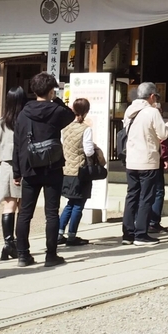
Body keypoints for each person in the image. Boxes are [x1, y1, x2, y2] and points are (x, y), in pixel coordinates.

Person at [12, 72, 74, 268]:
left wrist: (16, 172)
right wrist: (56, 100)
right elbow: (71, 115)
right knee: (51, 213)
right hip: (52, 166)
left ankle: (23, 255)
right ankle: (51, 255)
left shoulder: (23, 113)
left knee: (25, 214)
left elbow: (18, 145)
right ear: (50, 91)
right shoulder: (56, 111)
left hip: (29, 168)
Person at [121, 82, 168, 245]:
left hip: (131, 160)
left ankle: (128, 234)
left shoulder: (129, 111)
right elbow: (162, 134)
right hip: (147, 160)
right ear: (151, 96)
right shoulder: (152, 112)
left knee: (131, 195)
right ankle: (141, 234)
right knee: (146, 197)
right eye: (156, 96)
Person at [0, 85, 27, 260]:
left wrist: (1, 159)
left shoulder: (1, 121)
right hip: (24, 166)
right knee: (22, 206)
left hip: (6, 165)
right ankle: (18, 244)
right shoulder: (25, 120)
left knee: (8, 205)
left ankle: (8, 243)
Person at [57, 98, 96, 248]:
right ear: (86, 111)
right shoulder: (85, 129)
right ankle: (72, 235)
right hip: (80, 170)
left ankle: (59, 234)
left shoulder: (65, 128)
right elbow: (88, 150)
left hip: (67, 170)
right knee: (79, 204)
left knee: (70, 203)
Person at [148, 136, 168, 235]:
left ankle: (140, 221)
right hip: (154, 160)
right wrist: (165, 157)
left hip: (136, 161)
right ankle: (153, 222)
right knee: (158, 192)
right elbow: (162, 140)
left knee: (141, 192)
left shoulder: (132, 121)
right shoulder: (154, 120)